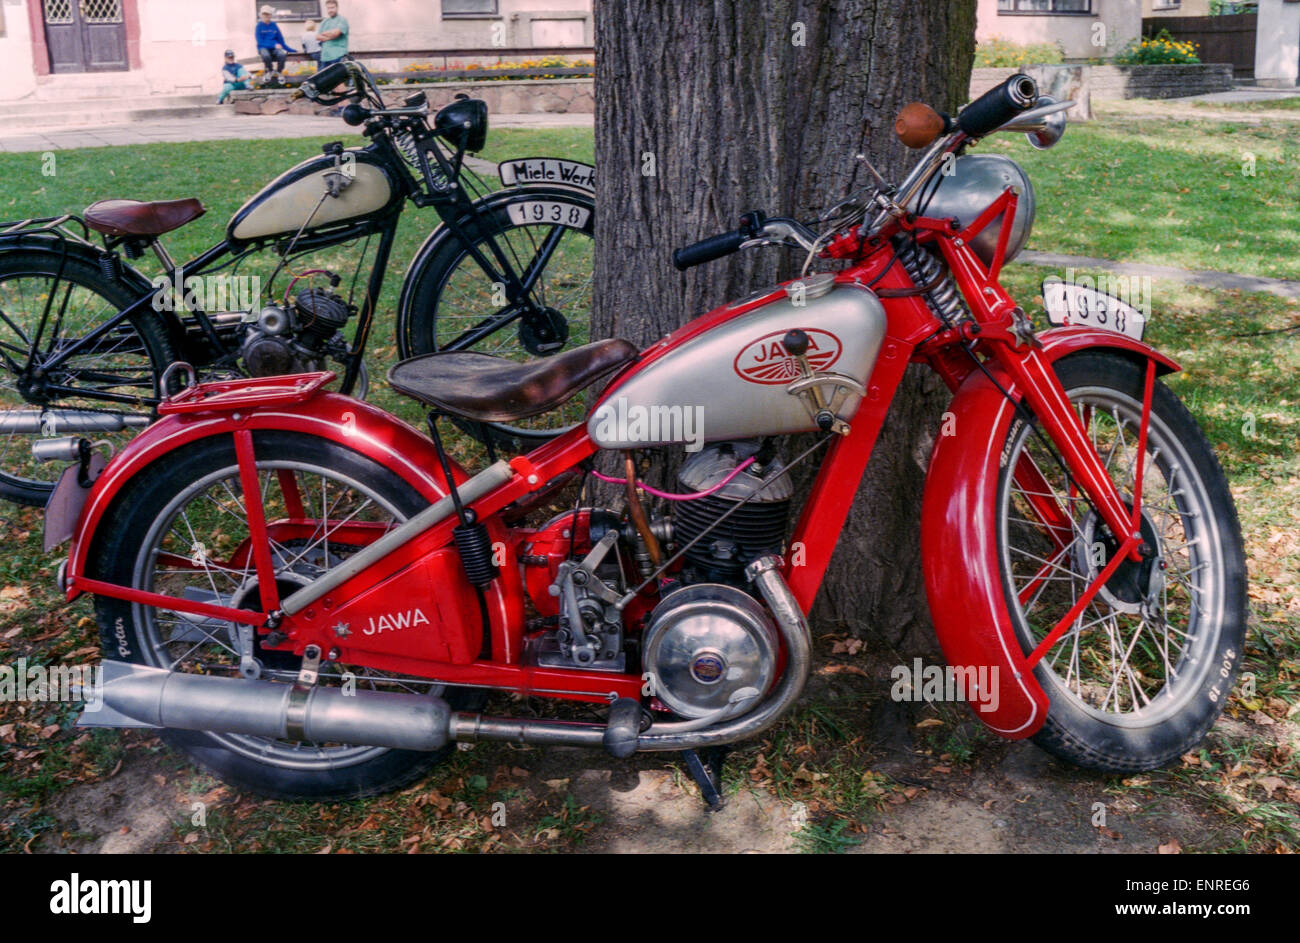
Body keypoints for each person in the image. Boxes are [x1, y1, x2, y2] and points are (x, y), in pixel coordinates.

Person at [255, 5, 295, 82]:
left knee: (282, 54)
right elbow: (260, 42)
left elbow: (281, 41)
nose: (266, 16)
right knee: (266, 55)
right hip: (263, 47)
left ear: (271, 15)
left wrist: (291, 50)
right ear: (261, 15)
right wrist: (273, 45)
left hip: (274, 48)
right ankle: (270, 71)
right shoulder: (259, 26)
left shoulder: (274, 25)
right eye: (264, 14)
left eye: (268, 14)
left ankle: (279, 72)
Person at [317, 0, 349, 66]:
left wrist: (324, 34)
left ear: (337, 8)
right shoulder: (324, 21)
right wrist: (331, 35)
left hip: (338, 56)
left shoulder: (342, 20)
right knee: (325, 76)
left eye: (332, 7)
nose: (330, 10)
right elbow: (317, 37)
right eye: (328, 8)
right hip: (325, 57)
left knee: (339, 76)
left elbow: (336, 33)